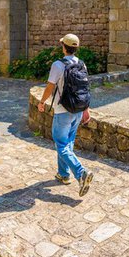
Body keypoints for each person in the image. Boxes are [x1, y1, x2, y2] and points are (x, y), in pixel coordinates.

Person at [37, 33, 94, 196]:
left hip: (63, 111)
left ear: (64, 47)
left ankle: (81, 172)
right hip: (77, 110)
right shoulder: (81, 64)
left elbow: (50, 87)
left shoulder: (58, 65)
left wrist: (42, 102)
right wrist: (86, 109)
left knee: (61, 144)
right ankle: (64, 174)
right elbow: (85, 89)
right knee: (67, 144)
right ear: (76, 48)